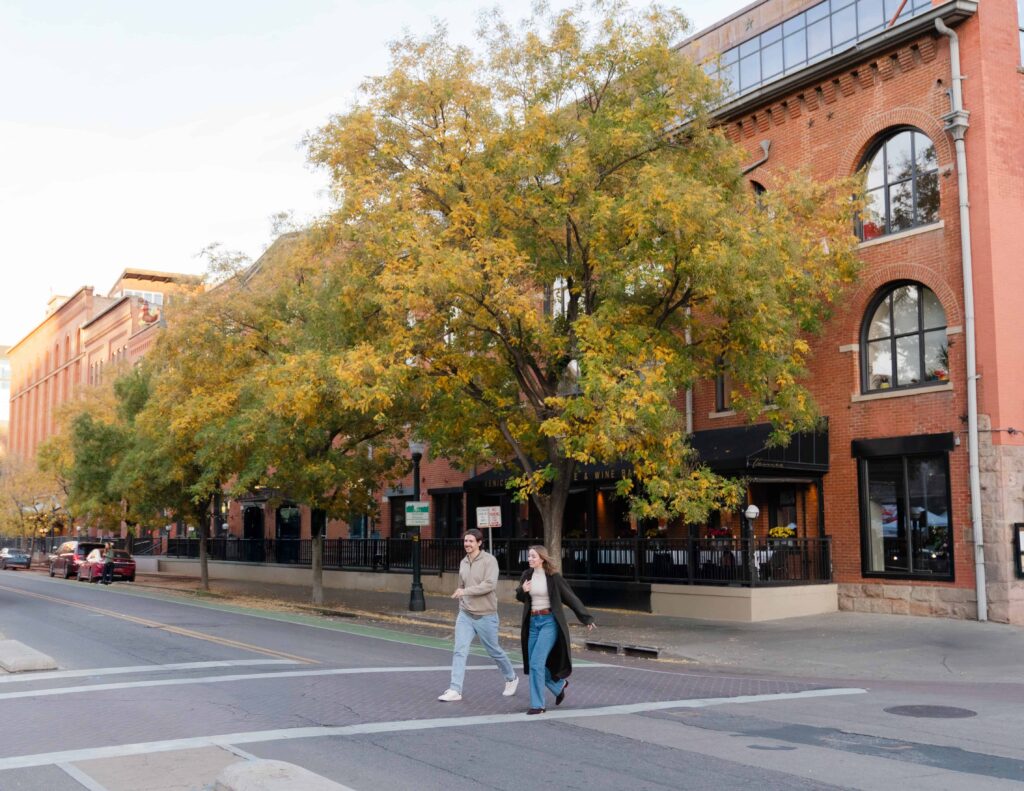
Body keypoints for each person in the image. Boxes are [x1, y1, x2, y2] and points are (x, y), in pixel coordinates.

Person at [438, 529, 519, 702]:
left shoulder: (490, 561)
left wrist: (465, 591)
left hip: (485, 615)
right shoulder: (463, 562)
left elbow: (489, 585)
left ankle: (511, 678)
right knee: (459, 651)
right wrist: (462, 600)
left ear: (479, 543)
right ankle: (455, 689)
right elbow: (461, 586)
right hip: (465, 615)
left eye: (471, 541)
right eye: (465, 541)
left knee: (494, 651)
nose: (467, 544)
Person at [515, 545, 595, 715]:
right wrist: (523, 590)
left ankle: (538, 705)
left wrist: (586, 618)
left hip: (549, 622)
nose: (530, 559)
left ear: (542, 558)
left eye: (533, 556)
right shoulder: (526, 576)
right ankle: (558, 685)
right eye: (529, 556)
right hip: (533, 622)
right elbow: (519, 596)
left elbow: (570, 597)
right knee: (533, 664)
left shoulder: (553, 577)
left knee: (536, 663)